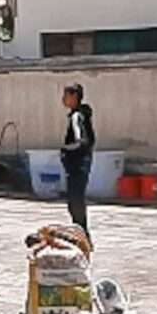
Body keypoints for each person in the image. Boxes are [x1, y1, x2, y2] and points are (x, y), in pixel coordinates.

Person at [60, 84, 95, 239]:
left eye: (66, 95)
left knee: (75, 201)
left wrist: (66, 150)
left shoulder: (77, 117)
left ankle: (82, 234)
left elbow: (81, 140)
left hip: (77, 165)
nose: (63, 99)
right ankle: (81, 233)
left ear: (74, 97)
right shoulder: (78, 115)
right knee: (75, 200)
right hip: (80, 164)